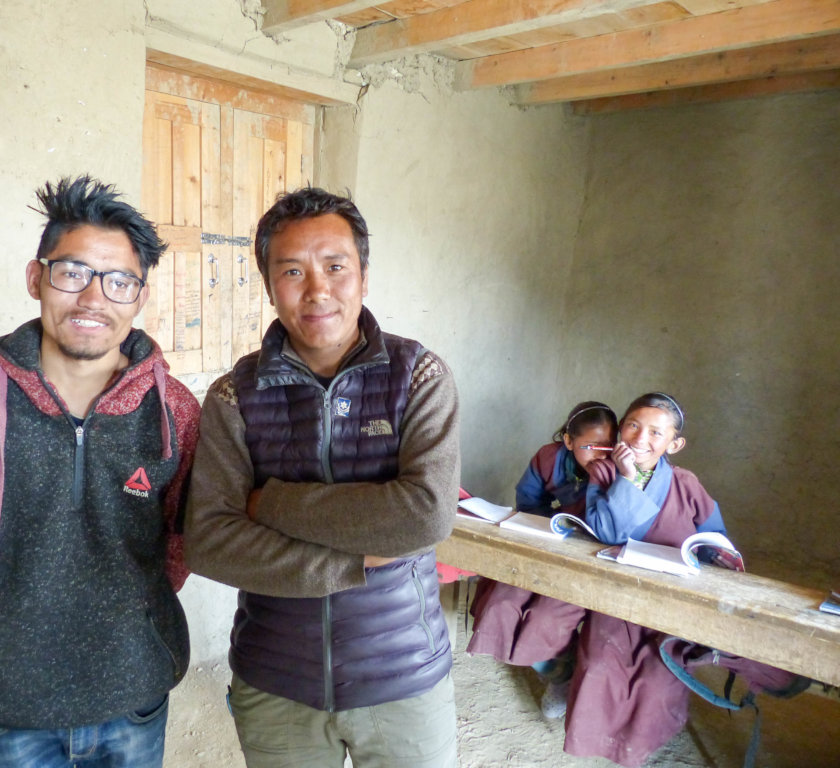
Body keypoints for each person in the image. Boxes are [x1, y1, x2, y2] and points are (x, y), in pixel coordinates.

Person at [0, 175, 200, 767]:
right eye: (73, 272)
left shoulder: (174, 412)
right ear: (36, 278)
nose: (93, 298)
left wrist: (137, 625)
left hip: (133, 696)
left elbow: (179, 543)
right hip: (6, 704)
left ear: (140, 296)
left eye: (119, 280)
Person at [183, 187, 461, 768]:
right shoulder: (235, 396)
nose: (317, 290)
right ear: (268, 284)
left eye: (336, 266)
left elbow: (425, 516)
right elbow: (209, 541)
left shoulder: (420, 377)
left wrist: (269, 504)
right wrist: (353, 561)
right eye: (292, 271)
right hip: (276, 677)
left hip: (402, 674)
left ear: (363, 274)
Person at [472, 392, 729, 768]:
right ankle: (560, 675)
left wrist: (711, 563)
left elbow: (716, 541)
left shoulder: (686, 484)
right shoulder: (604, 471)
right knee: (529, 612)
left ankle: (636, 737)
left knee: (646, 670)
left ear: (674, 444)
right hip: (599, 574)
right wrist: (625, 479)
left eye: (656, 433)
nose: (641, 439)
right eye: (633, 426)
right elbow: (608, 531)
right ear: (621, 427)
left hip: (659, 589)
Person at [467, 401, 617, 718]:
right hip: (547, 545)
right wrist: (553, 522)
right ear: (568, 441)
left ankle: (565, 677)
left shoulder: (616, 469)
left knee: (545, 619)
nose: (601, 455)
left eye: (608, 446)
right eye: (591, 446)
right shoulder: (548, 458)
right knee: (501, 606)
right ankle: (558, 672)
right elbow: (529, 502)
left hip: (592, 559)